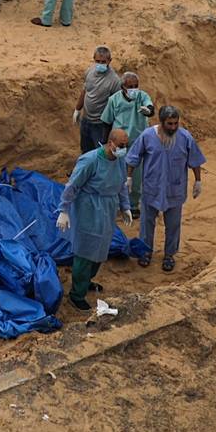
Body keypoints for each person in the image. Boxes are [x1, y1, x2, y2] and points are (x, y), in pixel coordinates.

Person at [125, 105, 206, 273]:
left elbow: (195, 160)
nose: (173, 127)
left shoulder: (185, 137)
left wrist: (198, 181)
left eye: (176, 123)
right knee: (147, 223)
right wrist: (129, 177)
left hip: (174, 190)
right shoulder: (147, 136)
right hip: (151, 188)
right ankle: (145, 251)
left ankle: (169, 255)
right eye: (169, 124)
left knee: (173, 224)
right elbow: (133, 157)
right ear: (161, 122)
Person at [57, 126, 129, 310]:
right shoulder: (90, 160)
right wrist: (63, 210)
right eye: (121, 145)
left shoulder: (119, 160)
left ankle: (86, 280)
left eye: (126, 145)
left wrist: (125, 207)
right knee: (85, 252)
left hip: (107, 209)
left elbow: (121, 184)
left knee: (100, 249)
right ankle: (76, 294)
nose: (124, 148)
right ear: (111, 143)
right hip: (88, 209)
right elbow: (73, 185)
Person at [99, 70, 156, 206]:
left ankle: (133, 203)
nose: (133, 89)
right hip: (119, 143)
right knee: (116, 173)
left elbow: (150, 107)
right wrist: (105, 142)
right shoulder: (114, 100)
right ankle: (116, 201)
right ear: (122, 87)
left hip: (138, 142)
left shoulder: (142, 97)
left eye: (135, 86)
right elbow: (106, 122)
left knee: (136, 176)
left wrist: (149, 110)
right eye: (130, 87)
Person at [73, 46, 119, 152]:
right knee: (85, 151)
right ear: (94, 59)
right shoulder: (89, 71)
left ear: (109, 61)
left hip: (100, 125)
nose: (100, 64)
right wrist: (77, 109)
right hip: (86, 121)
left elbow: (117, 104)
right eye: (98, 61)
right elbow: (85, 91)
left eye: (103, 62)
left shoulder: (114, 80)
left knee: (100, 153)